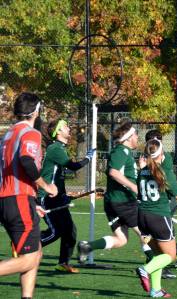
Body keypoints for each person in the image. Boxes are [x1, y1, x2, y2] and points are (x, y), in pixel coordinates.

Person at [0, 92, 58, 299]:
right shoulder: (30, 133)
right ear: (36, 111)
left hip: (11, 200)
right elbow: (26, 161)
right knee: (29, 259)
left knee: (36, 253)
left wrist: (32, 202)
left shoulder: (7, 135)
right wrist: (46, 186)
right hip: (18, 199)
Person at [77, 121, 150, 262]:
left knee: (121, 239)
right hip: (123, 202)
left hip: (115, 201)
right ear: (128, 138)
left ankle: (87, 247)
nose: (137, 137)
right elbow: (114, 172)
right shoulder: (121, 151)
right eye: (135, 134)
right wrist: (133, 187)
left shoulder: (125, 152)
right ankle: (155, 264)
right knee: (146, 233)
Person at [38, 118, 95, 273]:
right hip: (46, 197)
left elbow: (59, 176)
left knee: (70, 231)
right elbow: (73, 166)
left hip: (57, 197)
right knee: (56, 231)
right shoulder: (55, 148)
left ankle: (63, 263)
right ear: (58, 132)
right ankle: (25, 246)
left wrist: (64, 195)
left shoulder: (60, 148)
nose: (69, 128)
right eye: (65, 126)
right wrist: (88, 158)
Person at [135, 138, 177, 297]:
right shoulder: (164, 172)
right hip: (159, 218)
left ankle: (156, 290)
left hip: (142, 217)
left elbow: (140, 194)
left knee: (158, 255)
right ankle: (144, 270)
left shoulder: (142, 172)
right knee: (170, 256)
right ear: (161, 154)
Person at [143, 130, 177, 279]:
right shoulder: (162, 170)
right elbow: (175, 191)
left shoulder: (142, 169)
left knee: (155, 243)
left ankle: (155, 289)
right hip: (159, 211)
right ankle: (148, 268)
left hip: (143, 213)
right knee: (169, 252)